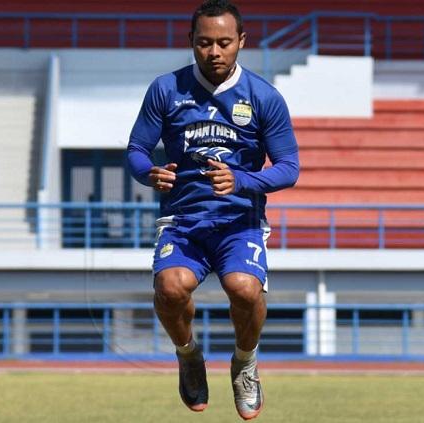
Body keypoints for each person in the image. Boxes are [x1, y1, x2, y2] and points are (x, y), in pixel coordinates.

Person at [126, 0, 299, 419]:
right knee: (170, 288)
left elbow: (289, 168)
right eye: (205, 43)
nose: (214, 52)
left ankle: (245, 362)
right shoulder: (166, 89)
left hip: (239, 223)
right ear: (191, 42)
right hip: (183, 221)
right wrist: (148, 173)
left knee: (243, 289)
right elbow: (136, 150)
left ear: (242, 41)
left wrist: (241, 180)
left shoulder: (263, 97)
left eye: (224, 42)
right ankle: (188, 356)